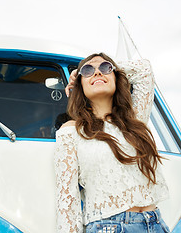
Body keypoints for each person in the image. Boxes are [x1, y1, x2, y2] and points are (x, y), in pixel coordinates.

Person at [54, 53, 170, 233]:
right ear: (79, 86)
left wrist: (79, 71)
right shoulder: (71, 131)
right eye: (88, 70)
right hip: (108, 226)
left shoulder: (134, 120)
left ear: (116, 77)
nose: (97, 73)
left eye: (105, 68)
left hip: (155, 223)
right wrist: (86, 73)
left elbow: (144, 70)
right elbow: (68, 201)